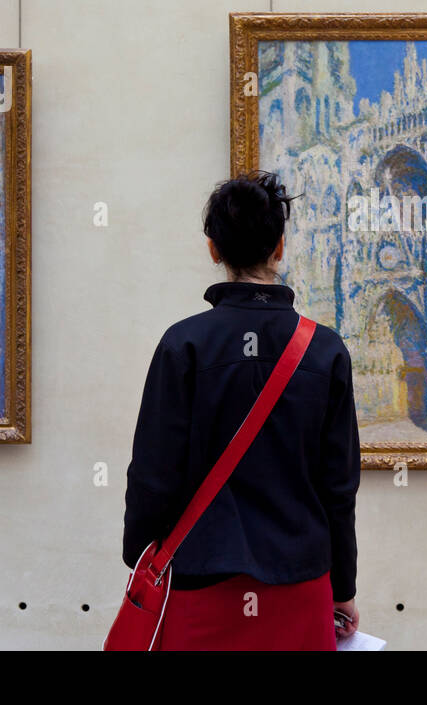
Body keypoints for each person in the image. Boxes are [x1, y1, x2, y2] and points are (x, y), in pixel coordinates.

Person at [122, 171, 361, 650]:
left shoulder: (182, 344)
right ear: (280, 247)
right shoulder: (325, 351)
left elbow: (153, 472)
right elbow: (339, 487)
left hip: (198, 584)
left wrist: (141, 556)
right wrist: (344, 588)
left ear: (214, 249)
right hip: (300, 586)